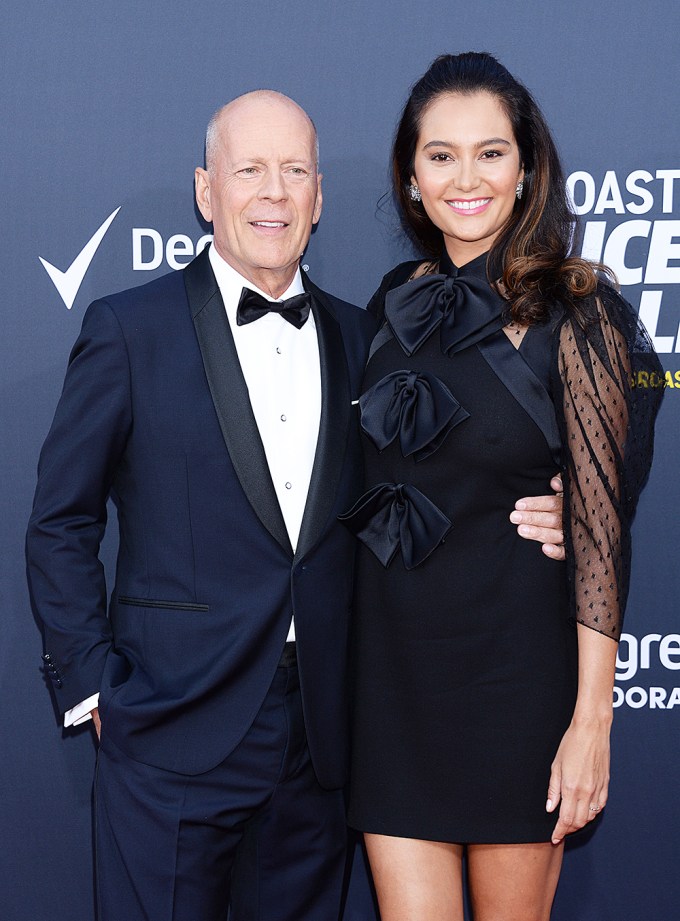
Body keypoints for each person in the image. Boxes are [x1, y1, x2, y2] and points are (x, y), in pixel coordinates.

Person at [26, 89, 565, 921]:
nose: (273, 193)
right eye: (250, 170)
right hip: (167, 732)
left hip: (321, 744)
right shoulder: (128, 329)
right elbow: (61, 521)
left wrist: (553, 507)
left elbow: (430, 489)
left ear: (318, 198)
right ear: (207, 191)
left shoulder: (370, 339)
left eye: (295, 171)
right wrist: (98, 689)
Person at [341, 53, 664, 921]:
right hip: (395, 690)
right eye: (440, 155)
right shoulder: (389, 303)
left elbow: (601, 535)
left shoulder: (580, 309)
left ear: (527, 168)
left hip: (516, 692)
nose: (466, 177)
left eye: (491, 152)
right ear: (411, 177)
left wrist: (591, 723)